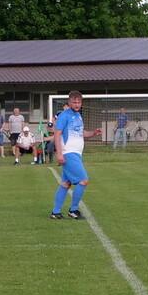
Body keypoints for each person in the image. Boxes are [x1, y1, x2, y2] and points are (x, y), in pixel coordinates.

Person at [51, 91, 106, 219]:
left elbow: (82, 133)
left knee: (66, 183)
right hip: (68, 153)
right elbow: (57, 135)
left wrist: (93, 133)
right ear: (69, 102)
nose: (76, 104)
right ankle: (74, 210)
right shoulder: (64, 116)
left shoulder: (78, 116)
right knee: (84, 180)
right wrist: (59, 153)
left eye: (79, 102)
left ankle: (55, 212)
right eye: (74, 102)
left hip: (76, 154)